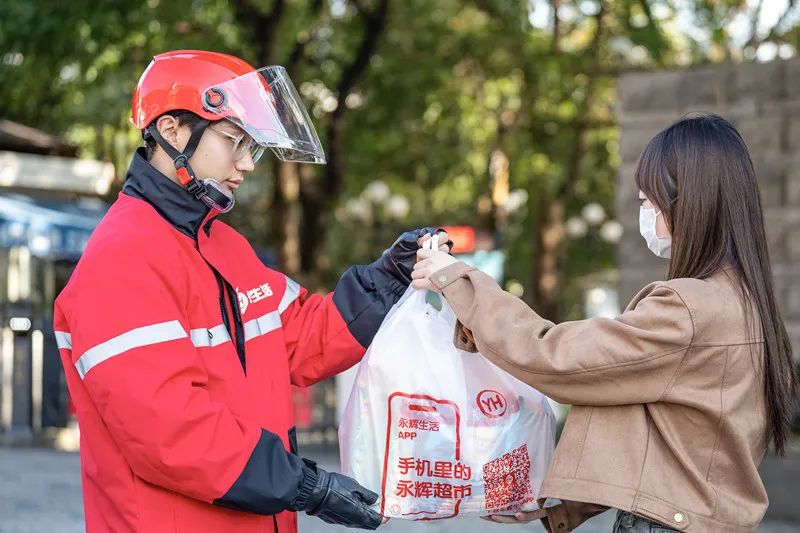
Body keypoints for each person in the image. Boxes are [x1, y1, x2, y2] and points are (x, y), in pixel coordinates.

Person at [53, 50, 450, 533]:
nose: (246, 164)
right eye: (233, 141)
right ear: (172, 129)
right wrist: (306, 485)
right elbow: (170, 430)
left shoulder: (224, 244)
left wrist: (387, 278)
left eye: (252, 147)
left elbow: (305, 338)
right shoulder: (121, 260)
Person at [413, 113, 797, 532]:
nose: (645, 213)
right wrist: (561, 505)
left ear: (688, 200)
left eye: (647, 201)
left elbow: (553, 356)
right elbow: (669, 437)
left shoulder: (689, 309)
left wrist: (456, 278)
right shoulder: (743, 302)